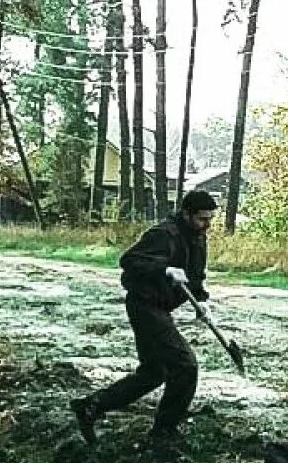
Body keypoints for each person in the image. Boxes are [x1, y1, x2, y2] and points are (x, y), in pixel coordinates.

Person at [71, 189, 218, 447]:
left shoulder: (197, 238)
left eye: (209, 219)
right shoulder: (163, 234)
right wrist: (164, 268)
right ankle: (164, 431)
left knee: (154, 372)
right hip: (145, 306)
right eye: (202, 219)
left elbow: (194, 276)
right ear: (186, 214)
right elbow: (129, 260)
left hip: (160, 308)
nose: (207, 225)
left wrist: (201, 300)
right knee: (185, 366)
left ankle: (92, 406)